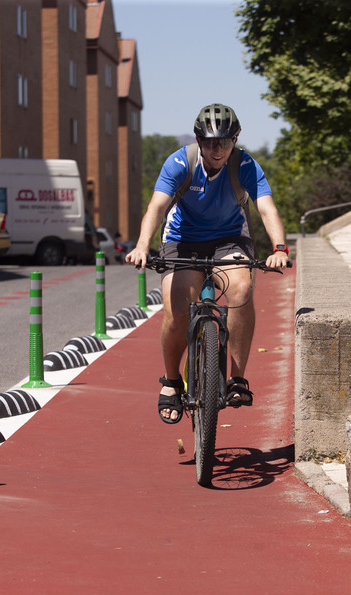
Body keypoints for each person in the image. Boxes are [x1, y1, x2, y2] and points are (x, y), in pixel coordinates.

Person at [125, 103, 289, 424]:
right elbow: (157, 207)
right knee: (176, 310)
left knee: (241, 289)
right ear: (199, 140)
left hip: (229, 238)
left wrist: (279, 247)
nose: (217, 149)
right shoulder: (179, 163)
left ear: (236, 139)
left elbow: (266, 209)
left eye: (225, 141)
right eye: (210, 142)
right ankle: (172, 381)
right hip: (182, 239)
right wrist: (142, 246)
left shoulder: (245, 165)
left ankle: (237, 378)